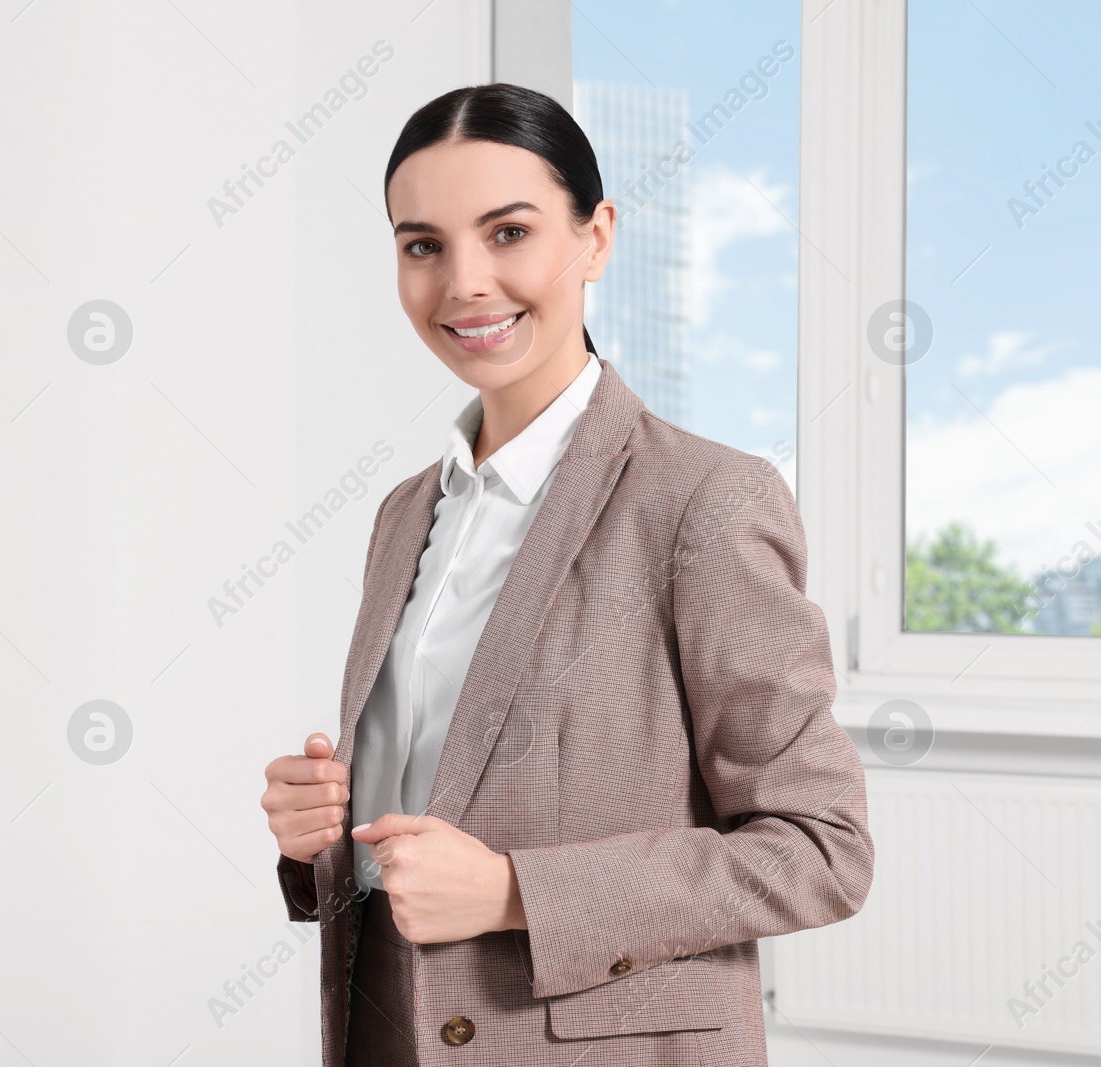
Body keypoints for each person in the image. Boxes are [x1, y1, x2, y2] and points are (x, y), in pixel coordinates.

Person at [258, 82, 874, 1066]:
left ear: (595, 237)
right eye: (423, 245)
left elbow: (818, 849)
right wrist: (318, 843)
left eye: (507, 232)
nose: (463, 281)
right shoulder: (404, 513)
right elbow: (421, 840)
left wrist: (512, 890)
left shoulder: (703, 501)